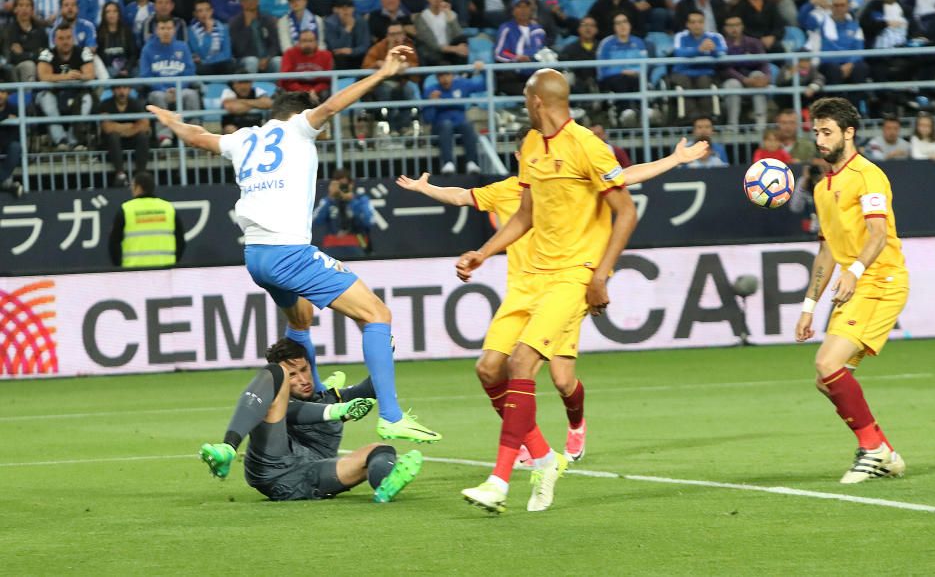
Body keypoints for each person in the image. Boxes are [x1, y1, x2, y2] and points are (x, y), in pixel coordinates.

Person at [147, 44, 441, 443]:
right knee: (376, 315)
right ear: (300, 112)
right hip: (289, 253)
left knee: (300, 321)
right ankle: (389, 415)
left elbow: (198, 138)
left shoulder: (243, 139)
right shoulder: (299, 126)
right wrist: (382, 74)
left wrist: (174, 123)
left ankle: (317, 397)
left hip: (255, 256)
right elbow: (334, 106)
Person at [451, 69, 692, 514]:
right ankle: (544, 458)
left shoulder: (587, 146)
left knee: (523, 362)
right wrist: (483, 253)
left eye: (525, 98)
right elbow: (525, 214)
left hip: (573, 275)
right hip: (533, 277)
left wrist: (601, 274)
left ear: (538, 100)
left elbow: (626, 212)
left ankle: (499, 480)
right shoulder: (529, 145)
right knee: (488, 369)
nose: (523, 105)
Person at [397, 127, 705, 472]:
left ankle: (574, 425)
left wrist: (675, 159)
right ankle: (531, 447)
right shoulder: (507, 191)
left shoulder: (570, 181)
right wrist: (427, 188)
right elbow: (461, 196)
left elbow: (625, 177)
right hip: (524, 292)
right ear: (520, 158)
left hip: (564, 287)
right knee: (498, 367)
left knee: (560, 379)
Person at [794, 96, 908, 484]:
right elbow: (826, 249)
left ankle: (873, 450)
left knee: (827, 365)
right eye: (816, 132)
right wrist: (809, 305)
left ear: (849, 132)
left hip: (882, 280)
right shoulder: (825, 187)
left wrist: (855, 270)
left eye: (827, 132)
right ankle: (884, 451)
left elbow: (878, 234)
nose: (820, 140)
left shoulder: (867, 175)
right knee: (826, 377)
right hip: (858, 285)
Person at [198, 338, 424, 503]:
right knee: (274, 374)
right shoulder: (274, 401)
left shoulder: (329, 398)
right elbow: (295, 412)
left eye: (304, 370)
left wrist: (384, 353)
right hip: (274, 467)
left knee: (381, 451)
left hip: (310, 475)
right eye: (293, 375)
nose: (303, 380)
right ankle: (228, 448)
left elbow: (372, 386)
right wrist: (338, 410)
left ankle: (385, 485)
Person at [141, 17, 200, 148]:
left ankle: (193, 135)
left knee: (191, 95)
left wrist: (178, 88)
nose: (166, 32)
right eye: (162, 28)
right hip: (159, 91)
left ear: (174, 30)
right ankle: (164, 136)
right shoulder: (148, 49)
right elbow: (145, 75)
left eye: (169, 28)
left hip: (180, 89)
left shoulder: (182, 47)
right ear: (157, 30)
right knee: (157, 96)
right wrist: (163, 89)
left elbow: (190, 71)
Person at [37, 22, 96, 152]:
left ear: (73, 38)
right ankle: (61, 140)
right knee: (46, 99)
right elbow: (43, 76)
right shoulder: (47, 53)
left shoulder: (83, 52)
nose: (65, 42)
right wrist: (66, 76)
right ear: (54, 40)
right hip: (53, 94)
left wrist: (81, 76)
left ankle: (73, 140)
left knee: (87, 99)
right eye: (61, 38)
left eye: (68, 38)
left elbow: (90, 74)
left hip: (76, 94)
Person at [108, 171, 186, 267]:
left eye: (133, 185)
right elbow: (181, 241)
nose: (131, 189)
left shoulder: (126, 209)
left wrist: (120, 268)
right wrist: (173, 262)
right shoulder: (168, 208)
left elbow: (114, 243)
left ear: (139, 187)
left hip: (134, 271)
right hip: (165, 269)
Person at [423, 68, 484, 175]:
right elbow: (428, 119)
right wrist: (431, 103)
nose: (445, 79)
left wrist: (483, 70)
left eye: (447, 75)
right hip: (440, 129)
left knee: (467, 124)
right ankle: (448, 163)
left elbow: (485, 86)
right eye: (441, 76)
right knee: (446, 125)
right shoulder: (431, 90)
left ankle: (472, 163)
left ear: (452, 75)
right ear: (437, 78)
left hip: (460, 127)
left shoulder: (462, 84)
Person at [362, 22, 420, 132]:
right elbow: (365, 67)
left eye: (398, 34)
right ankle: (391, 129)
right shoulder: (378, 47)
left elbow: (415, 65)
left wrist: (407, 65)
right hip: (381, 83)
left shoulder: (408, 48)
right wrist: (377, 64)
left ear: (403, 35)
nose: (396, 37)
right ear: (387, 36)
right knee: (386, 91)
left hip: (402, 82)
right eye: (392, 34)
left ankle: (404, 127)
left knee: (409, 91)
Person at [671, 10, 726, 120]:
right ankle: (693, 118)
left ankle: (706, 118)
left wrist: (713, 50)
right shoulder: (680, 36)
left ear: (704, 23)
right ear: (687, 24)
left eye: (700, 22)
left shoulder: (715, 37)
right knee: (683, 81)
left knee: (704, 80)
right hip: (683, 72)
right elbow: (679, 52)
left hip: (706, 72)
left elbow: (723, 52)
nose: (697, 25)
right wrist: (699, 49)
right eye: (693, 22)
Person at [595, 12, 646, 126]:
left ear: (630, 25)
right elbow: (601, 71)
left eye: (625, 22)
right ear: (614, 27)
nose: (622, 26)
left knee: (639, 80)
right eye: (618, 23)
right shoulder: (606, 44)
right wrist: (621, 71)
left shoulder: (638, 43)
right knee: (621, 80)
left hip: (636, 76)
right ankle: (625, 112)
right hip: (613, 79)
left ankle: (643, 113)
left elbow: (646, 65)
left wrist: (636, 72)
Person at [815, 0, 868, 108]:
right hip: (829, 63)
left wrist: (850, 64)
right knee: (833, 70)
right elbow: (824, 51)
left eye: (842, 5)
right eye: (836, 5)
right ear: (831, 7)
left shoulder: (855, 26)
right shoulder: (822, 25)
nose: (839, 8)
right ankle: (837, 108)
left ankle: (855, 108)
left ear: (847, 6)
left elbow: (859, 49)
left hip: (849, 63)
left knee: (861, 68)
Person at [720, 13, 769, 129]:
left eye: (737, 25)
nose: (734, 28)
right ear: (725, 28)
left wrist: (766, 77)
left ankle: (761, 124)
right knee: (733, 84)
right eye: (730, 25)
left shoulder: (754, 42)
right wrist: (743, 79)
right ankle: (732, 125)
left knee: (758, 75)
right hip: (732, 80)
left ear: (742, 26)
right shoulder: (721, 45)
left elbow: (764, 62)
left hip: (753, 79)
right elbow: (725, 68)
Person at [99, 80, 152, 186]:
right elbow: (107, 128)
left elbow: (145, 125)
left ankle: (140, 176)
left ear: (129, 90)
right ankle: (120, 175)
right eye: (118, 88)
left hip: (132, 140)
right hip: (111, 143)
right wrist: (130, 126)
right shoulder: (105, 104)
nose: (122, 91)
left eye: (125, 88)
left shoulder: (137, 103)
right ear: (113, 91)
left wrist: (119, 128)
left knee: (142, 136)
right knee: (113, 136)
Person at [313, 170, 374, 259]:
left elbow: (368, 221)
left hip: (357, 247)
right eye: (339, 186)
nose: (342, 189)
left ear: (351, 184)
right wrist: (330, 198)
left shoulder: (361, 200)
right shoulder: (328, 201)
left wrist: (352, 202)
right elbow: (316, 221)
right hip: (332, 250)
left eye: (344, 185)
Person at [494, 0, 546, 96]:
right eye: (519, 7)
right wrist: (516, 58)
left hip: (535, 73)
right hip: (514, 74)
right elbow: (500, 52)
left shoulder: (538, 30)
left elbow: (541, 51)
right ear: (513, 11)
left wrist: (530, 58)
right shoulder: (506, 28)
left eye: (526, 7)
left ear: (531, 10)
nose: (523, 10)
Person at [3, 0, 50, 83]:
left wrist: (23, 53)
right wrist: (35, 53)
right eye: (21, 5)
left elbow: (46, 55)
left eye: (27, 6)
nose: (24, 9)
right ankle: (28, 95)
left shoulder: (41, 31)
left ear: (32, 10)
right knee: (29, 65)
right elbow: (11, 57)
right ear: (15, 9)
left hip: (39, 68)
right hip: (15, 69)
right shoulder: (8, 31)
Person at [229, 0, 281, 73]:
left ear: (258, 1)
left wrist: (268, 58)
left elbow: (275, 45)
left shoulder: (267, 20)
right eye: (247, 0)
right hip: (245, 61)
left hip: (266, 61)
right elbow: (239, 50)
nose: (250, 2)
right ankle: (249, 84)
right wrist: (247, 26)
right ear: (241, 2)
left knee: (278, 61)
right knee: (252, 61)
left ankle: (278, 85)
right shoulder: (235, 23)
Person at [279, 29, 333, 99]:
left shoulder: (326, 55)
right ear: (298, 42)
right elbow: (285, 80)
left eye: (310, 41)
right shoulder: (289, 54)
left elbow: (327, 81)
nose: (307, 44)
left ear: (316, 42)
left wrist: (314, 91)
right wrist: (304, 92)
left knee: (326, 93)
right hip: (294, 90)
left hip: (318, 92)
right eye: (304, 41)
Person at [189, 0, 237, 74]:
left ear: (212, 11)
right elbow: (202, 54)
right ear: (195, 14)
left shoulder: (223, 28)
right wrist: (208, 32)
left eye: (207, 10)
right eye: (200, 11)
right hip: (204, 68)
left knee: (231, 64)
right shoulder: (191, 31)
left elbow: (227, 53)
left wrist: (208, 61)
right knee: (199, 68)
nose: (204, 14)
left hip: (221, 64)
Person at [413, 0, 467, 66]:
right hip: (432, 55)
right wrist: (455, 49)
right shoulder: (421, 18)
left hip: (450, 54)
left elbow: (459, 35)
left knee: (463, 44)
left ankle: (465, 73)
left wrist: (449, 15)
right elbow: (432, 44)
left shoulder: (449, 14)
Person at [97, 1, 139, 79]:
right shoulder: (99, 33)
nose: (111, 14)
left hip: (127, 69)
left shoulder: (127, 32)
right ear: (104, 15)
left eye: (114, 11)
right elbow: (99, 58)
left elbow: (133, 54)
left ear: (119, 14)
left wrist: (126, 69)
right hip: (108, 70)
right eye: (108, 12)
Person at [558, 16, 599, 95]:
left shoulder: (602, 47)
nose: (588, 28)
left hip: (598, 83)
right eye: (584, 25)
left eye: (592, 25)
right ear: (579, 29)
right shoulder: (569, 48)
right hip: (576, 86)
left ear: (596, 30)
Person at [324, 0, 369, 69]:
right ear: (337, 10)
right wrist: (347, 30)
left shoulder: (361, 21)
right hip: (338, 59)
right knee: (340, 57)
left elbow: (365, 45)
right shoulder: (330, 23)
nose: (345, 10)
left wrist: (352, 51)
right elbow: (334, 47)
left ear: (353, 9)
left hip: (357, 57)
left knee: (363, 56)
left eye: (348, 7)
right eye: (342, 7)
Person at [0, 88, 23, 197]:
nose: (0, 95)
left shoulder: (14, 109)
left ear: (8, 95)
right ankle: (6, 185)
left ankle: (3, 182)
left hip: (7, 144)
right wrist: (4, 117)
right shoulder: (9, 113)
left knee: (16, 147)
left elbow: (15, 134)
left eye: (3, 92)